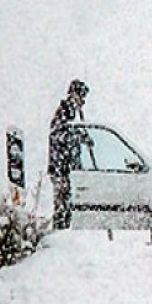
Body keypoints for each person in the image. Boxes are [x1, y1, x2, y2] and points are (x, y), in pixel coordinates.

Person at [48, 79, 89, 230]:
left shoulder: (71, 113)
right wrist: (78, 136)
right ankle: (60, 231)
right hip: (61, 167)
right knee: (62, 204)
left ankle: (64, 227)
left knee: (67, 203)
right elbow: (58, 135)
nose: (82, 102)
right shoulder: (64, 112)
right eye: (81, 97)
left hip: (66, 167)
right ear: (73, 95)